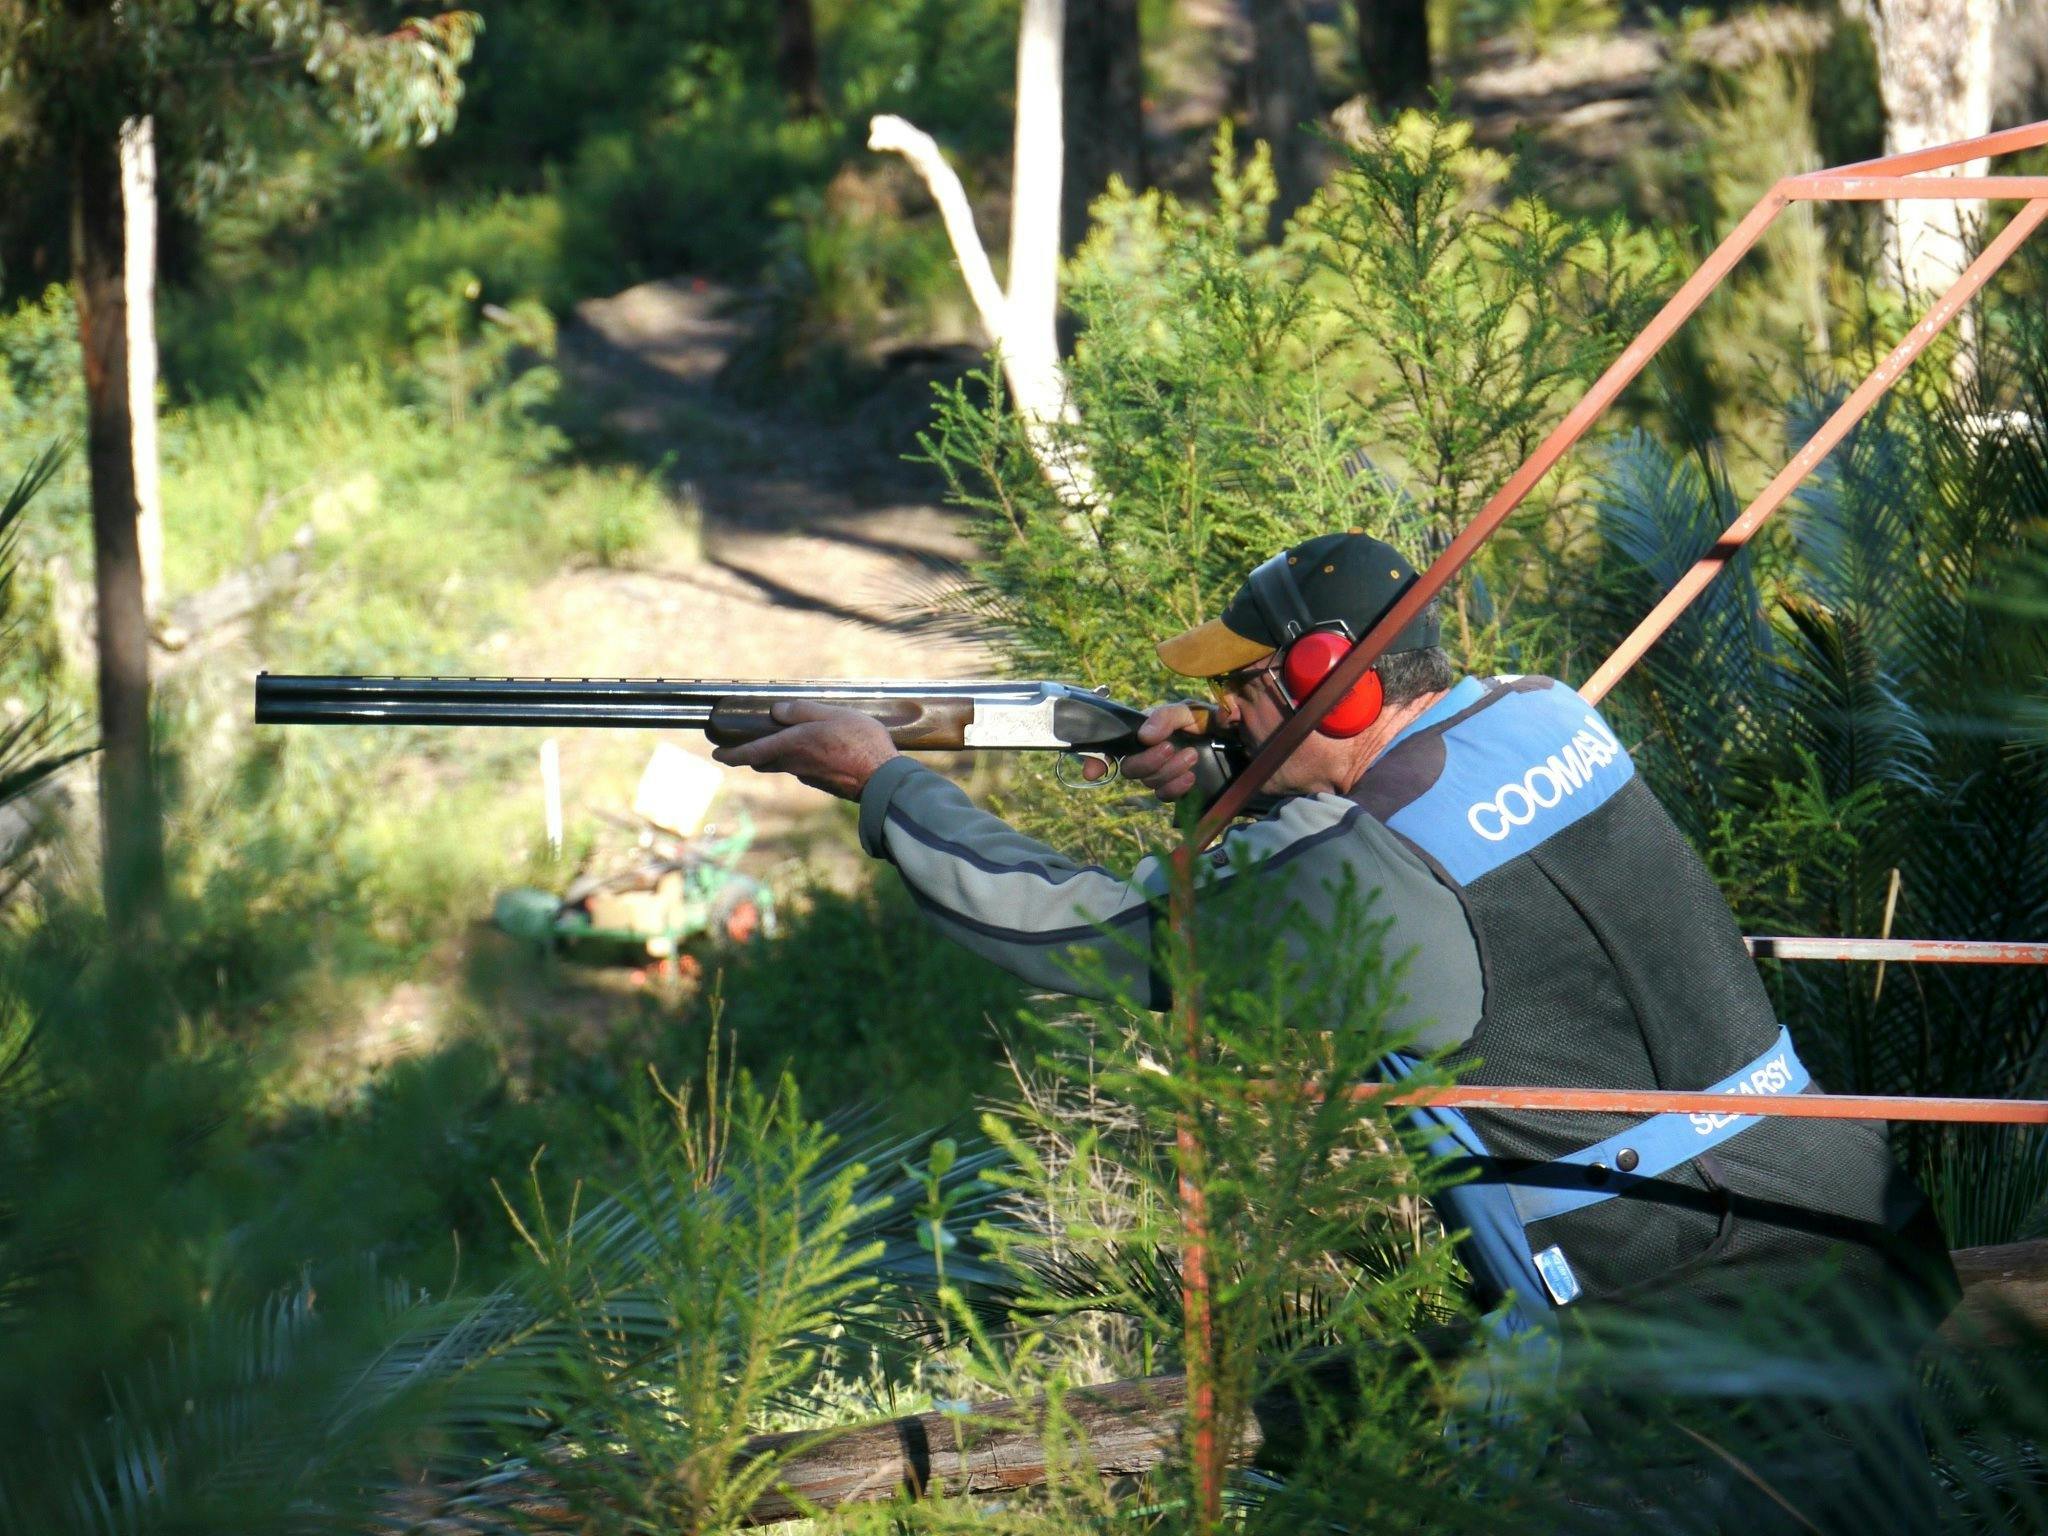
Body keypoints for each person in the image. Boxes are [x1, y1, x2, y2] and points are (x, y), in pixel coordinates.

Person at [711, 530, 1954, 1349]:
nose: (1225, 706)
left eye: (1250, 690)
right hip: (1835, 1213)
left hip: (1671, 1292)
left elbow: (1077, 927)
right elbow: (1435, 822)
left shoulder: (1364, 861)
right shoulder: (1541, 712)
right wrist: (1218, 774)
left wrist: (880, 780)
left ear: (1336, 680)